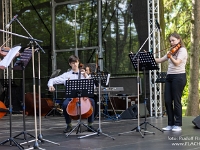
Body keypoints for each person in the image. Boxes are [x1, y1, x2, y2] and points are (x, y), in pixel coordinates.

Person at [47, 55, 96, 133]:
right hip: (71, 97)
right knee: (65, 104)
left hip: (83, 97)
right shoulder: (66, 75)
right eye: (73, 63)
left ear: (78, 62)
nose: (75, 64)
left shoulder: (84, 74)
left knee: (92, 102)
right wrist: (50, 86)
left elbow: (92, 86)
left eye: (76, 62)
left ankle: (90, 125)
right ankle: (69, 125)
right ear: (70, 64)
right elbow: (52, 80)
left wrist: (86, 76)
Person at [155, 32, 187, 132]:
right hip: (169, 77)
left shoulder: (182, 50)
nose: (171, 42)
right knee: (168, 101)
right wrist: (149, 57)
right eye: (170, 41)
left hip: (179, 77)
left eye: (173, 40)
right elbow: (160, 60)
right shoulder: (171, 51)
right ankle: (170, 124)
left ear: (178, 40)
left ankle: (177, 124)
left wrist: (171, 56)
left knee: (176, 101)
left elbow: (177, 63)